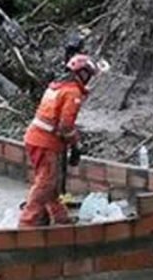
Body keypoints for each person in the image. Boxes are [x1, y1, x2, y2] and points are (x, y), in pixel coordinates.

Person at [19, 54, 99, 227]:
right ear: (83, 74)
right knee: (46, 182)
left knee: (51, 181)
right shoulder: (73, 93)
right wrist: (75, 145)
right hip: (45, 142)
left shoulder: (57, 87)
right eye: (88, 75)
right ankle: (28, 222)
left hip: (36, 139)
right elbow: (65, 126)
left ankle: (60, 217)